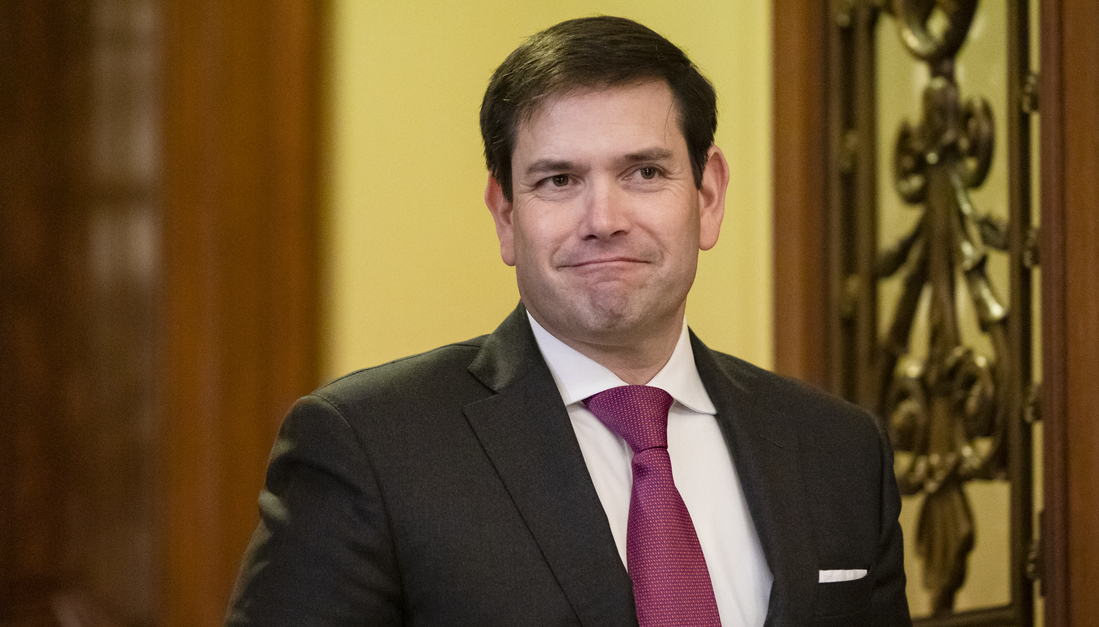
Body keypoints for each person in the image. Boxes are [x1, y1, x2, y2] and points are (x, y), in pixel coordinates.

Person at [226, 15, 910, 627]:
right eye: (558, 180)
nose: (604, 219)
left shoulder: (839, 453)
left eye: (644, 172)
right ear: (505, 214)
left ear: (706, 197)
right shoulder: (368, 448)